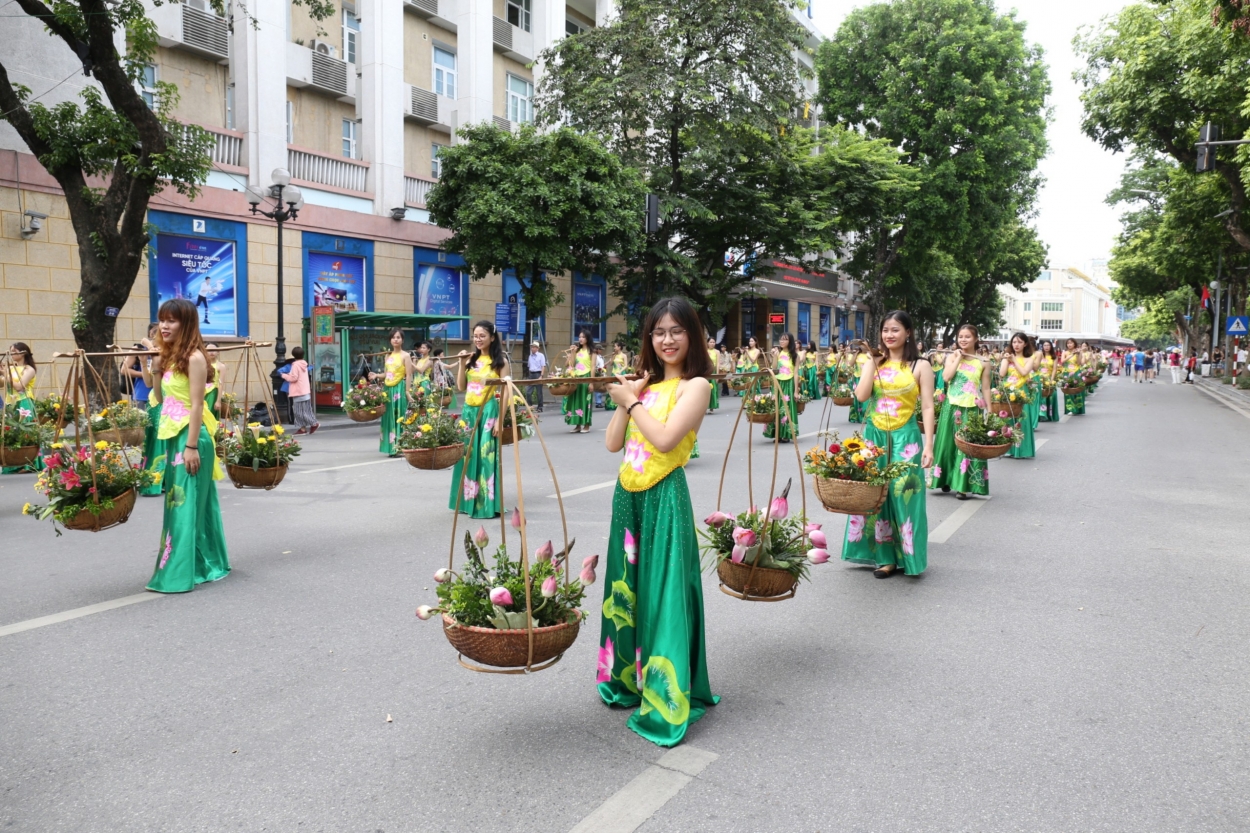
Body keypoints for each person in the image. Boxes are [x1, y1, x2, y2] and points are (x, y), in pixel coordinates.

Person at [598, 296, 717, 747]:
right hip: (627, 496)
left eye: (676, 331)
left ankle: (665, 695)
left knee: (664, 591)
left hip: (665, 496)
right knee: (627, 590)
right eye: (659, 332)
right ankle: (627, 680)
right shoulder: (645, 388)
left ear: (692, 336)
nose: (667, 340)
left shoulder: (696, 386)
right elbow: (613, 444)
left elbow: (666, 440)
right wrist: (628, 398)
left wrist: (631, 402)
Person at [143, 298, 229, 593]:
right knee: (179, 502)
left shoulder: (195, 358)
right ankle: (204, 562)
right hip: (174, 436)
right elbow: (159, 398)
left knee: (185, 503)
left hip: (191, 438)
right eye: (162, 320)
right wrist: (156, 368)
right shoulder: (171, 357)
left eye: (171, 320)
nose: (164, 326)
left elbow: (197, 406)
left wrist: (191, 447)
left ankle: (180, 572)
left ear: (186, 323)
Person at [841, 310, 934, 578]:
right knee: (874, 494)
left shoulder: (920, 366)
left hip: (906, 438)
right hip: (875, 437)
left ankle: (909, 557)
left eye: (895, 330)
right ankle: (884, 558)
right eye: (885, 330)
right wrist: (872, 362)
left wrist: (929, 446)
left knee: (904, 494)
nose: (889, 335)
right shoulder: (874, 363)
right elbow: (861, 396)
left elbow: (928, 407)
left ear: (908, 333)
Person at [449, 321, 508, 519]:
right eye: (475, 336)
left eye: (482, 335)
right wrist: (461, 363)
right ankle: (467, 502)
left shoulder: (500, 362)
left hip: (488, 411)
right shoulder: (471, 360)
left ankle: (486, 504)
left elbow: (506, 392)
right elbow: (460, 387)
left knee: (485, 455)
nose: (478, 339)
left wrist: (500, 420)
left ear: (492, 337)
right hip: (468, 412)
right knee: (466, 455)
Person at [929, 324, 992, 500]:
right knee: (946, 444)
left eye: (967, 337)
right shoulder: (951, 357)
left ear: (976, 339)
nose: (963, 340)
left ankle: (963, 486)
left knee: (967, 446)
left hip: (971, 408)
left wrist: (990, 410)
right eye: (960, 337)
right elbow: (946, 377)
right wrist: (957, 358)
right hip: (950, 406)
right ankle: (945, 479)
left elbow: (986, 387)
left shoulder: (984, 362)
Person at [369, 329, 417, 456]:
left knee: (399, 416)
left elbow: (409, 375)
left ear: (402, 340)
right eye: (393, 337)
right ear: (390, 340)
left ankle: (400, 447)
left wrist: (407, 391)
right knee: (388, 417)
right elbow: (387, 374)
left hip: (399, 389)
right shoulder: (388, 356)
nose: (396, 339)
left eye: (398, 337)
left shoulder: (406, 356)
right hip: (388, 390)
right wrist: (376, 375)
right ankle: (390, 447)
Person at [3, 342, 40, 474]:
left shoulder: (29, 369)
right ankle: (13, 463)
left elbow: (20, 386)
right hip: (10, 403)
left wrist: (5, 374)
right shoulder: (10, 368)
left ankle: (28, 464)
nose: (12, 354)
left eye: (14, 351)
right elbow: (4, 384)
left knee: (26, 432)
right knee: (11, 433)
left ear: (23, 353)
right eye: (10, 351)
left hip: (23, 402)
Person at [1000, 333, 1039, 459]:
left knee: (1022, 420)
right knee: (1007, 419)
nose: (1016, 345)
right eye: (1014, 342)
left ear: (1025, 344)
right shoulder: (1007, 358)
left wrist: (1014, 360)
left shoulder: (1029, 359)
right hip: (1008, 391)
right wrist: (1005, 360)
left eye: (1020, 342)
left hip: (1022, 391)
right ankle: (1008, 448)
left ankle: (1022, 450)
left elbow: (1023, 372)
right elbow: (1002, 374)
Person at [764, 333, 799, 442]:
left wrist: (796, 391)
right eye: (781, 339)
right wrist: (774, 356)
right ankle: (777, 434)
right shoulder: (777, 353)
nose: (782, 341)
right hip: (777, 382)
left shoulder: (795, 356)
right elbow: (774, 368)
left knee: (787, 408)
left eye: (785, 339)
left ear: (790, 341)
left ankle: (786, 434)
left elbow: (796, 374)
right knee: (776, 407)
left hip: (789, 383)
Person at [563, 330, 595, 434]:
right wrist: (572, 352)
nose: (580, 339)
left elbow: (593, 367)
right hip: (576, 378)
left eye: (583, 337)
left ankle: (586, 425)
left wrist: (591, 382)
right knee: (575, 401)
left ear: (587, 339)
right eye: (580, 337)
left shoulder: (591, 351)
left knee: (585, 401)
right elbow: (570, 365)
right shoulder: (577, 351)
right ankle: (577, 425)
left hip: (586, 377)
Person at [281, 347, 318, 434]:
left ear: (293, 355)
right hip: (305, 391)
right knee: (306, 410)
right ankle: (303, 428)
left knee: (298, 412)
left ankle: (313, 423)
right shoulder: (304, 364)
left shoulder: (295, 365)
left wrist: (284, 375)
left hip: (298, 391)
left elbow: (294, 378)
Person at [1037, 340, 1061, 422]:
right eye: (1045, 345)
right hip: (1040, 378)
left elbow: (1054, 369)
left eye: (1048, 345)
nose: (1046, 347)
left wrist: (1051, 380)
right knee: (1041, 396)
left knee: (1051, 396)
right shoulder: (1040, 355)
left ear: (1051, 346)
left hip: (1050, 378)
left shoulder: (1054, 357)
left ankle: (1050, 415)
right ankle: (1041, 415)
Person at [1062, 339, 1087, 415]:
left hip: (1076, 372)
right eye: (1068, 343)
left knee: (1077, 390)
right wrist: (1072, 354)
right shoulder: (1065, 352)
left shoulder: (1079, 352)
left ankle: (1078, 408)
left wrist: (1079, 354)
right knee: (1068, 390)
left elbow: (1080, 363)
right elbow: (1062, 361)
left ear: (1074, 344)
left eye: (1071, 343)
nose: (1069, 344)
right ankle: (1070, 408)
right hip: (1067, 373)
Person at [604, 341, 630, 412]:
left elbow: (625, 365)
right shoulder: (615, 355)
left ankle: (620, 403)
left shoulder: (624, 355)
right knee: (613, 388)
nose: (614, 348)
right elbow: (611, 363)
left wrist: (620, 371)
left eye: (615, 346)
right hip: (614, 373)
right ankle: (611, 404)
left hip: (620, 373)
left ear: (619, 347)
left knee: (619, 388)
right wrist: (612, 356)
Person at [525, 341, 547, 412]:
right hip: (531, 374)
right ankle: (530, 406)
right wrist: (529, 375)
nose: (532, 348)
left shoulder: (541, 355)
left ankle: (540, 407)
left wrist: (541, 375)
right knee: (528, 392)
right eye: (532, 347)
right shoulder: (530, 356)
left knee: (539, 392)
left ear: (537, 348)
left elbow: (543, 366)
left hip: (538, 374)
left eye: (534, 347)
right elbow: (529, 366)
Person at [705, 337, 720, 415]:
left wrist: (717, 375)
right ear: (707, 343)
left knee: (713, 389)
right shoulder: (705, 351)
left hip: (713, 372)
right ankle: (704, 407)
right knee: (705, 389)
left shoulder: (717, 352)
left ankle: (712, 407)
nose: (712, 344)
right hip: (705, 372)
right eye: (710, 342)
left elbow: (718, 364)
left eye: (713, 342)